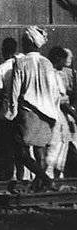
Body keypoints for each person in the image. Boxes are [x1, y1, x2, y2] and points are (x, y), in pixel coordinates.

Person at [5, 26, 60, 191]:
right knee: (40, 152)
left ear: (28, 43)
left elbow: (15, 91)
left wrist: (12, 112)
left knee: (21, 153)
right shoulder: (47, 63)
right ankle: (38, 187)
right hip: (47, 113)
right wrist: (54, 112)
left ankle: (46, 180)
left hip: (27, 111)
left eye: (23, 41)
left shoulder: (20, 62)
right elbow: (54, 91)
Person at [0, 37, 25, 182]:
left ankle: (11, 177)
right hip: (21, 111)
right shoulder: (22, 63)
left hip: (6, 113)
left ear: (3, 50)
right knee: (21, 147)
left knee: (8, 147)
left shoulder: (1, 69)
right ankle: (22, 176)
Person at [45, 47, 76, 179]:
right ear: (58, 59)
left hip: (56, 119)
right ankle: (50, 182)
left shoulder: (49, 74)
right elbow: (61, 100)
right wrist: (74, 115)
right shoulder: (53, 76)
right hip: (56, 118)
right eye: (63, 59)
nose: (64, 63)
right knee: (54, 155)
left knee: (57, 155)